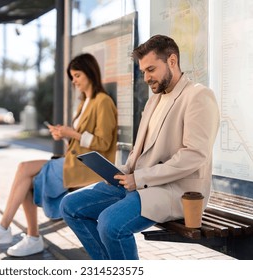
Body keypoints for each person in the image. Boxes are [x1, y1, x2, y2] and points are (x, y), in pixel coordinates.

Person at [60, 35, 220, 260]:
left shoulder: (198, 96)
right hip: (140, 183)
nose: (146, 78)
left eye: (151, 69)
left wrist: (141, 177)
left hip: (175, 190)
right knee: (70, 206)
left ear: (172, 61)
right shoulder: (154, 99)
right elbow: (141, 151)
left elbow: (195, 155)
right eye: (143, 71)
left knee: (109, 224)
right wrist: (122, 172)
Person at [0, 53, 118, 257]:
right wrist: (64, 135)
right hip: (74, 162)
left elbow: (103, 143)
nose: (74, 81)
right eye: (72, 77)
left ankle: (8, 229)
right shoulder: (84, 102)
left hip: (88, 168)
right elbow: (82, 141)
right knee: (27, 180)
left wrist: (71, 133)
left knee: (24, 169)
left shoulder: (102, 101)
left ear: (90, 73)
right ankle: (29, 237)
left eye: (77, 75)